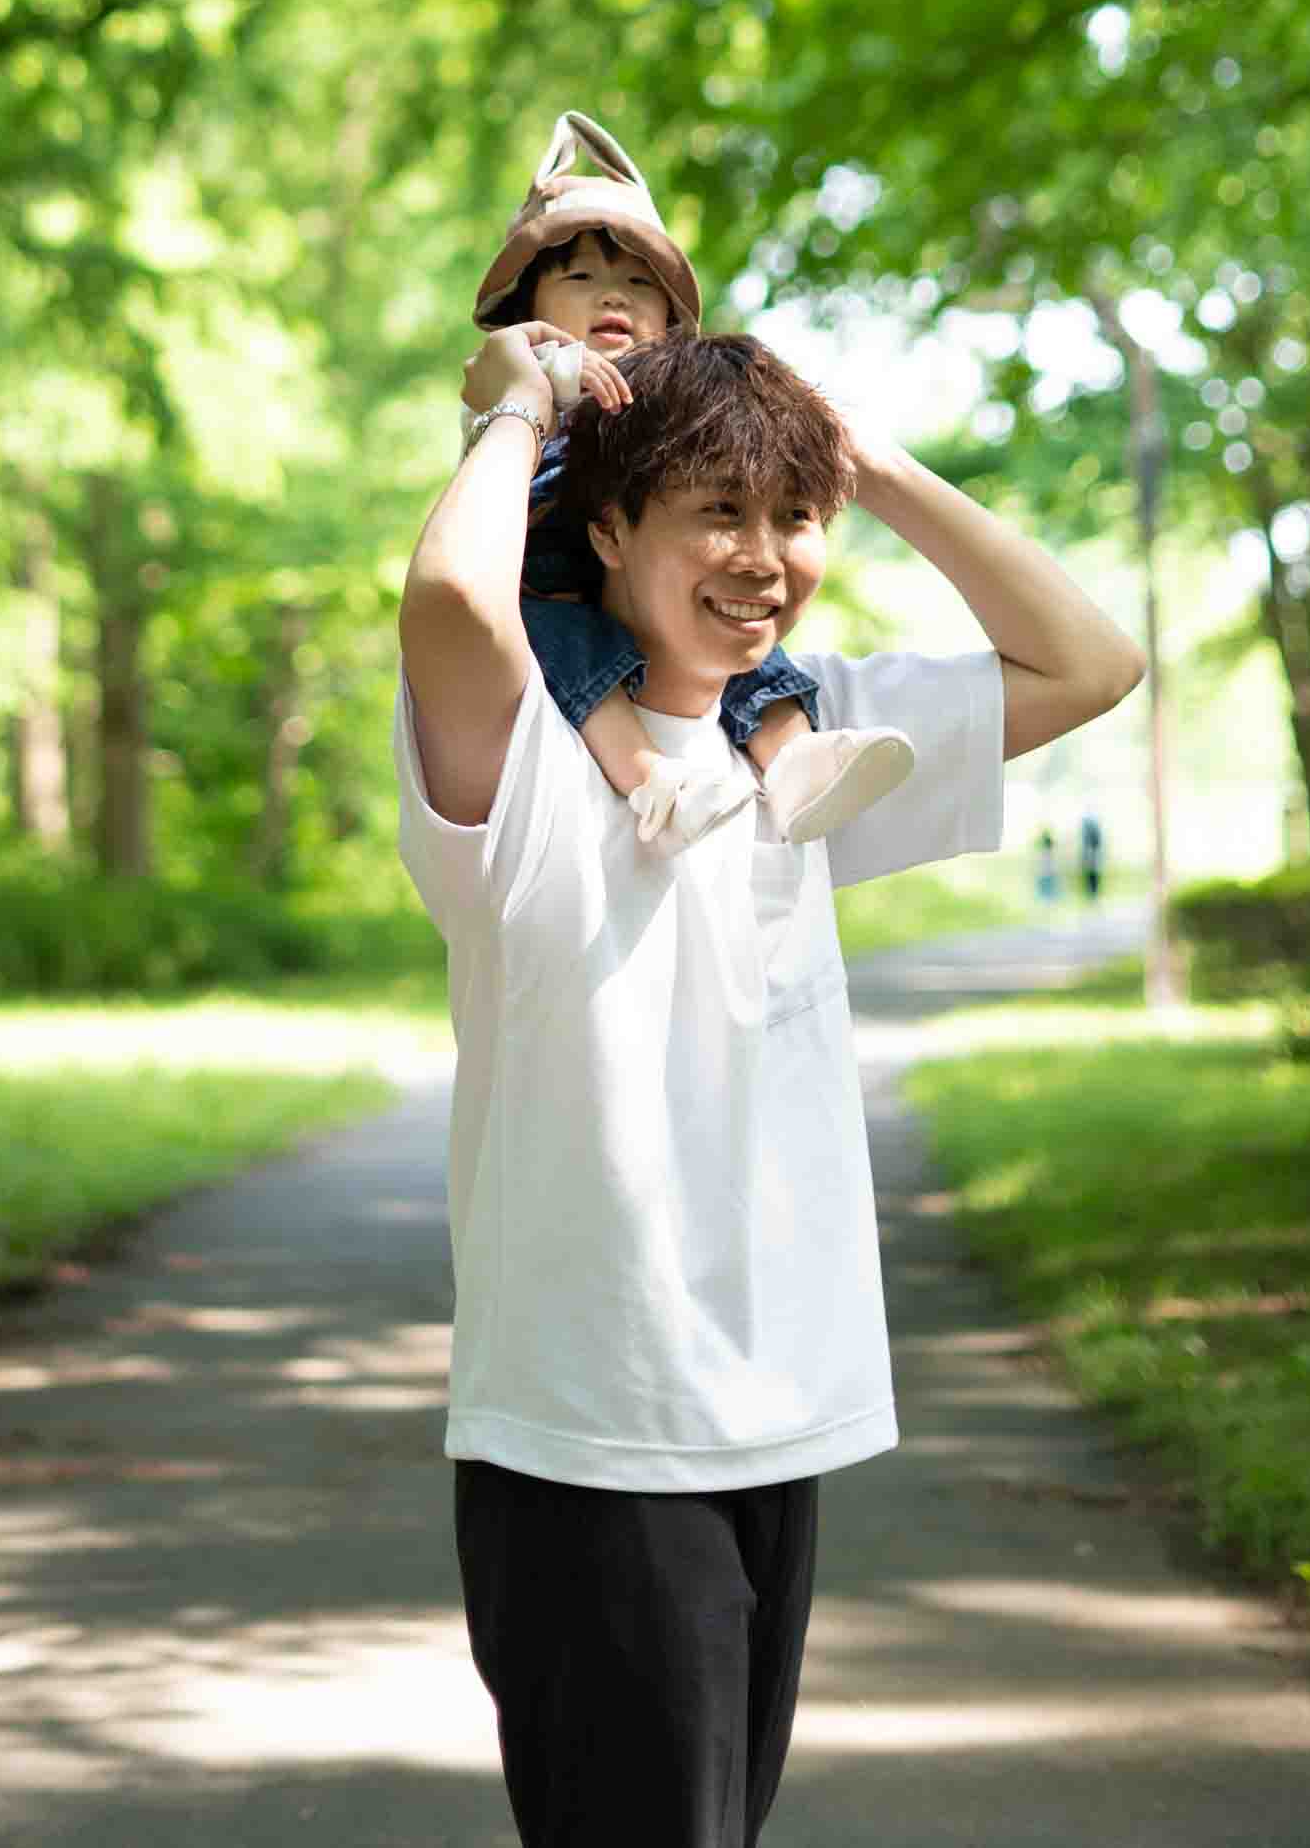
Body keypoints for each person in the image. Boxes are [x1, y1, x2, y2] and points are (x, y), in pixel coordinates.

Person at [397, 320, 1145, 1848]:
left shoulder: (811, 746)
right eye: (714, 513)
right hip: (592, 1430)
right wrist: (523, 411)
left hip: (778, 1412)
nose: (761, 556)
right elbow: (451, 598)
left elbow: (1092, 661)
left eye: (790, 519)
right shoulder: (520, 754)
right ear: (607, 527)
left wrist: (854, 458)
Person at [467, 111, 914, 854]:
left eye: (639, 284)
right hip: (545, 559)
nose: (614, 298)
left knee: (743, 617)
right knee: (565, 645)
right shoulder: (521, 369)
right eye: (581, 278)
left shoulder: (672, 396)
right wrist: (552, 376)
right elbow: (507, 428)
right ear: (528, 304)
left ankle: (793, 755)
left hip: (659, 557)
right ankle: (652, 782)